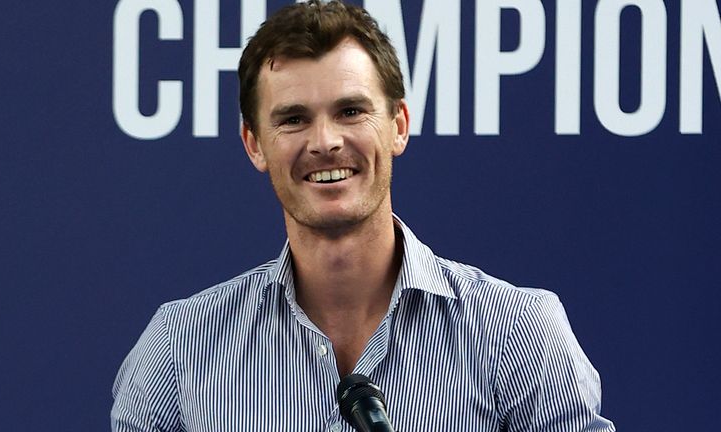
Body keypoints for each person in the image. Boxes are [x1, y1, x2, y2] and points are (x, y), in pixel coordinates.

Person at [111, 1, 615, 430]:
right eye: (293, 119)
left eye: (351, 111)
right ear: (254, 144)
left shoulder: (519, 333)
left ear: (398, 125)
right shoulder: (180, 347)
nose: (326, 142)